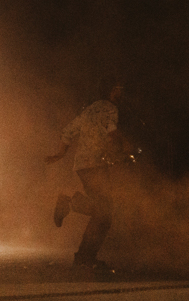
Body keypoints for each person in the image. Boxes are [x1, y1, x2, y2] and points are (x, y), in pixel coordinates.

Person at [46, 79, 128, 274]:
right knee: (105, 214)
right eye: (118, 89)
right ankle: (84, 256)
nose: (121, 93)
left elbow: (68, 132)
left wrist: (60, 154)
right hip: (95, 165)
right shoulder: (111, 109)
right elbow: (112, 132)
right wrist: (125, 145)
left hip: (82, 166)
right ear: (110, 90)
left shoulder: (89, 110)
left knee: (102, 212)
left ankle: (84, 257)